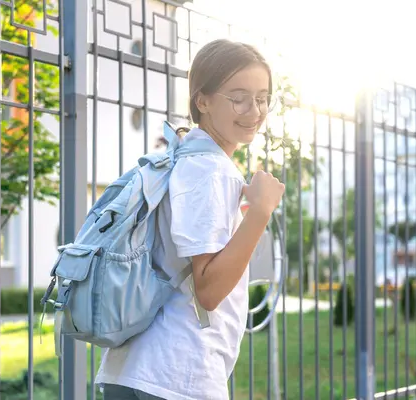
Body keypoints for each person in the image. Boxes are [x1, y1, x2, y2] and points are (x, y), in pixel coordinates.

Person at [95, 38, 285, 400]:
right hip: (177, 373)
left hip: (136, 366)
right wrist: (260, 213)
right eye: (238, 96)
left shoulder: (182, 159)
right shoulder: (211, 170)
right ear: (203, 100)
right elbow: (208, 289)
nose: (254, 110)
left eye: (262, 98)